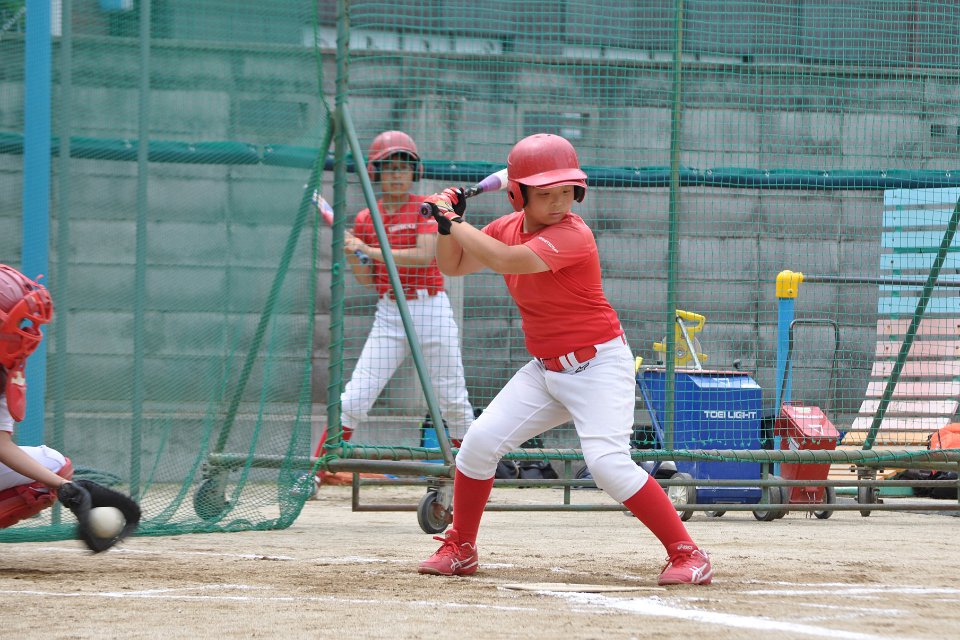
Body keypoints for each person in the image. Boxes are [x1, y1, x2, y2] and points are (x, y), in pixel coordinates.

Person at [416, 133, 713, 586]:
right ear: (518, 194)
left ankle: (688, 553)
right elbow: (452, 265)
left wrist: (452, 217)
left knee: (608, 465)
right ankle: (461, 547)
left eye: (566, 190)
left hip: (598, 365)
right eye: (544, 193)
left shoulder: (573, 234)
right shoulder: (506, 226)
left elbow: (506, 260)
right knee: (477, 444)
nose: (558, 202)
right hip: (546, 370)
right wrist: (444, 226)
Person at [313, 130, 474, 487]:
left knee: (452, 398)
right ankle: (318, 472)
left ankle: (471, 479)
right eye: (389, 168)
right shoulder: (365, 218)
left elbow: (424, 256)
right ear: (377, 173)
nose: (397, 174)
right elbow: (369, 279)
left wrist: (369, 250)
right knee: (355, 397)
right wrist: (352, 251)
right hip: (390, 313)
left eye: (403, 167)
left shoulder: (425, 206)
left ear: (413, 172)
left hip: (430, 308)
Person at [0, 264, 141, 548]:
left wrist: (65, 488)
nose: (26, 332)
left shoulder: (4, 369)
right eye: (18, 323)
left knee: (54, 466)